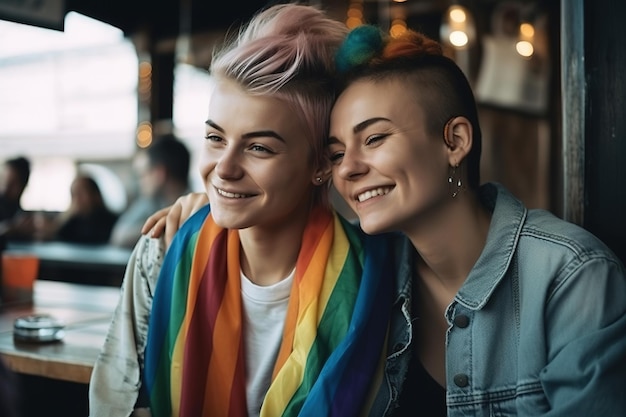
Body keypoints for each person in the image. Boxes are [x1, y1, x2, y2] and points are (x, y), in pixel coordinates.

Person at [146, 25, 626, 416]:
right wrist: (204, 211)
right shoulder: (366, 271)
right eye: (336, 152)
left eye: (373, 139)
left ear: (455, 141)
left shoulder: (570, 277)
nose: (349, 168)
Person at [89, 5, 398, 417]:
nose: (225, 169)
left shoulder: (377, 275)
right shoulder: (162, 253)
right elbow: (115, 405)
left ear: (322, 164)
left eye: (259, 148)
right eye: (215, 138)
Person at [109, 134, 191, 248]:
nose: (141, 182)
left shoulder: (196, 209)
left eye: (143, 175)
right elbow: (119, 236)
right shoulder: (151, 203)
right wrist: (162, 224)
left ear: (159, 173)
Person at [35, 173, 119, 244]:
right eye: (74, 194)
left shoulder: (111, 222)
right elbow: (49, 236)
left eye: (81, 193)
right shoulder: (71, 221)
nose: (77, 199)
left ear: (95, 195)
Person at [0, 156, 35, 240]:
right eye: (3, 181)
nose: (6, 188)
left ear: (24, 186)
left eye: (13, 183)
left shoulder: (20, 215)